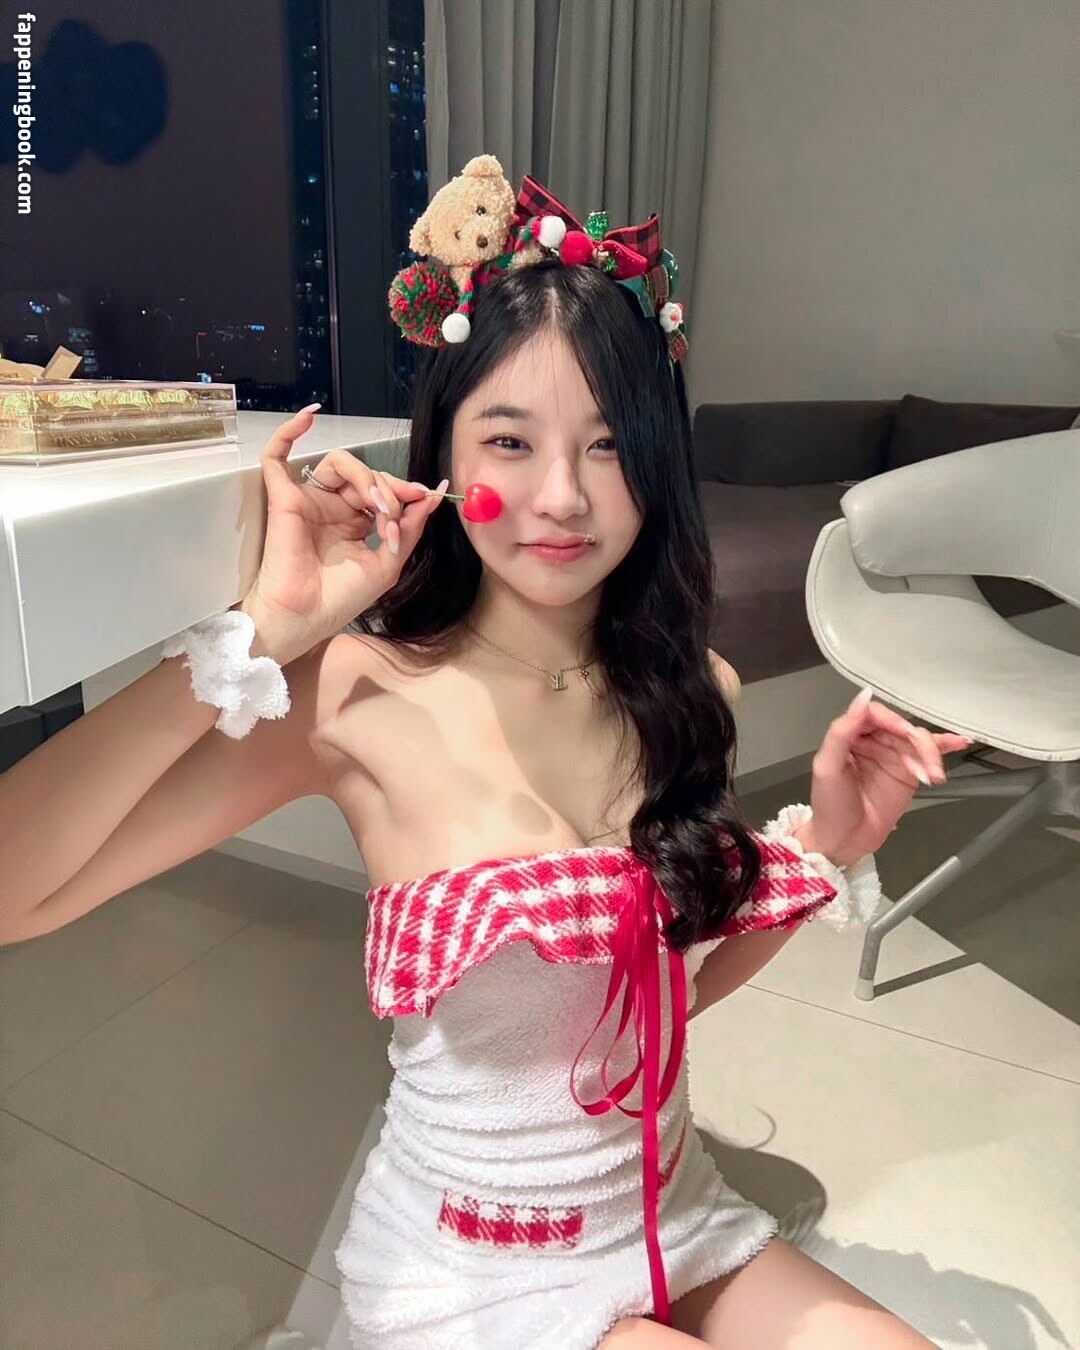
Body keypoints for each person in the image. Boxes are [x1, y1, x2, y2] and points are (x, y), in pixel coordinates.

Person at [0, 170, 968, 1350]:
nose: (562, 497)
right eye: (511, 440)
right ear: (449, 457)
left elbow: (658, 1006)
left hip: (668, 1211)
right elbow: (16, 894)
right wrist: (260, 634)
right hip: (474, 1269)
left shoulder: (693, 691)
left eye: (608, 447)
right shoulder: (355, 692)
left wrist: (830, 842)